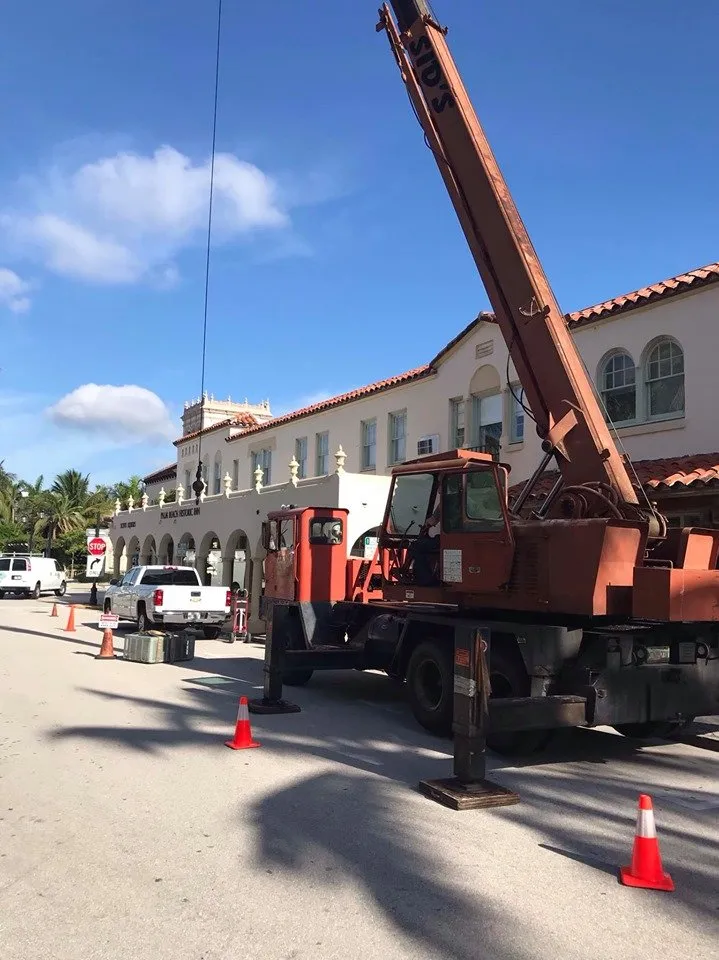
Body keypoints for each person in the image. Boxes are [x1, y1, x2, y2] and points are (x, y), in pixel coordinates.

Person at [407, 501, 441, 585]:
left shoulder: (447, 499)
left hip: (448, 540)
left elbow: (432, 521)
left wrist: (427, 524)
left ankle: (425, 580)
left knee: (416, 546)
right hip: (459, 538)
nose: (440, 491)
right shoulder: (468, 500)